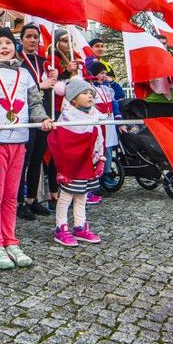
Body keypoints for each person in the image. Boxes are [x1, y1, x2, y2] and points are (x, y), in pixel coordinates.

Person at [0, 27, 52, 270]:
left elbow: (34, 102)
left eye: (8, 43)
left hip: (20, 141)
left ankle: (11, 240)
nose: (4, 46)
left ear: (15, 46)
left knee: (12, 195)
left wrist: (42, 118)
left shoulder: (24, 73)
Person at [47, 78, 104, 247]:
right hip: (72, 165)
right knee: (66, 197)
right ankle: (61, 227)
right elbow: (62, 143)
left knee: (82, 196)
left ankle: (80, 225)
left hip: (88, 162)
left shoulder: (95, 116)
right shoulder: (67, 119)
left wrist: (99, 156)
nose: (90, 96)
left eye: (91, 93)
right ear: (73, 99)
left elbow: (99, 137)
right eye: (85, 93)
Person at [17, 24, 57, 220]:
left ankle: (32, 200)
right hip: (25, 117)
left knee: (37, 160)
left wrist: (54, 78)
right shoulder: (17, 63)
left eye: (35, 37)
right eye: (29, 37)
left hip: (44, 115)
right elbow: (16, 89)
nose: (32, 40)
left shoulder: (44, 62)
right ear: (22, 39)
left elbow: (54, 88)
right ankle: (18, 202)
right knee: (23, 161)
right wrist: (41, 85)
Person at [88, 62, 124, 196]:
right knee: (98, 150)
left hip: (109, 123)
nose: (104, 76)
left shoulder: (107, 88)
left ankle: (106, 173)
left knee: (108, 150)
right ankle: (96, 178)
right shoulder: (90, 88)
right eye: (101, 73)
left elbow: (119, 96)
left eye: (105, 73)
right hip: (98, 123)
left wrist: (113, 82)